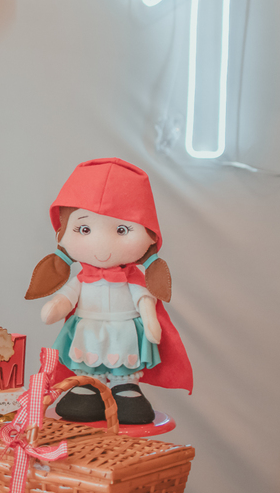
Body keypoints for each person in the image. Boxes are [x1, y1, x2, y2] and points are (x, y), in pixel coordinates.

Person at [25, 158, 192, 425]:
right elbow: (65, 299)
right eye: (84, 229)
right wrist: (55, 307)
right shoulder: (82, 279)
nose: (102, 243)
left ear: (150, 236)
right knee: (86, 368)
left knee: (124, 371)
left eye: (122, 229)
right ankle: (87, 387)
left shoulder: (134, 281)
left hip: (123, 335)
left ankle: (125, 388)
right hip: (88, 333)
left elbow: (145, 301)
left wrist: (151, 322)